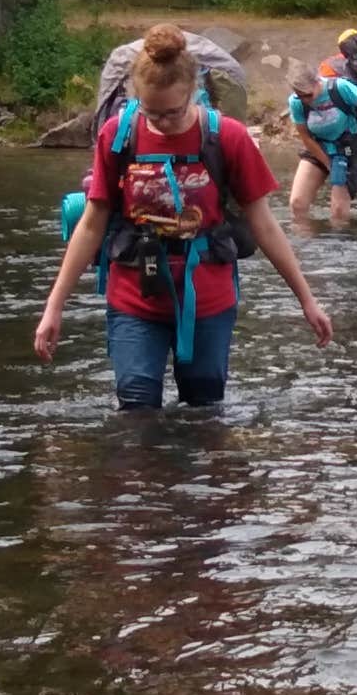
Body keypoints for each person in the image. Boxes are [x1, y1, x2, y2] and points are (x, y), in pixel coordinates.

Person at [35, 23, 332, 408]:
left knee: (205, 410)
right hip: (134, 296)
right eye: (150, 112)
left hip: (209, 297)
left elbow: (263, 224)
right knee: (136, 407)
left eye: (172, 113)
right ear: (134, 97)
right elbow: (92, 224)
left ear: (194, 91)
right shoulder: (117, 136)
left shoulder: (227, 137)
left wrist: (307, 300)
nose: (161, 123)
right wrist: (54, 307)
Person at [284, 52, 357, 235]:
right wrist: (327, 162)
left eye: (307, 95)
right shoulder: (296, 102)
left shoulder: (339, 88)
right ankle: (305, 248)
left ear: (317, 81)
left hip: (347, 148)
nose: (305, 100)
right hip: (318, 147)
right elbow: (306, 137)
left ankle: (340, 248)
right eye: (299, 96)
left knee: (338, 213)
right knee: (297, 204)